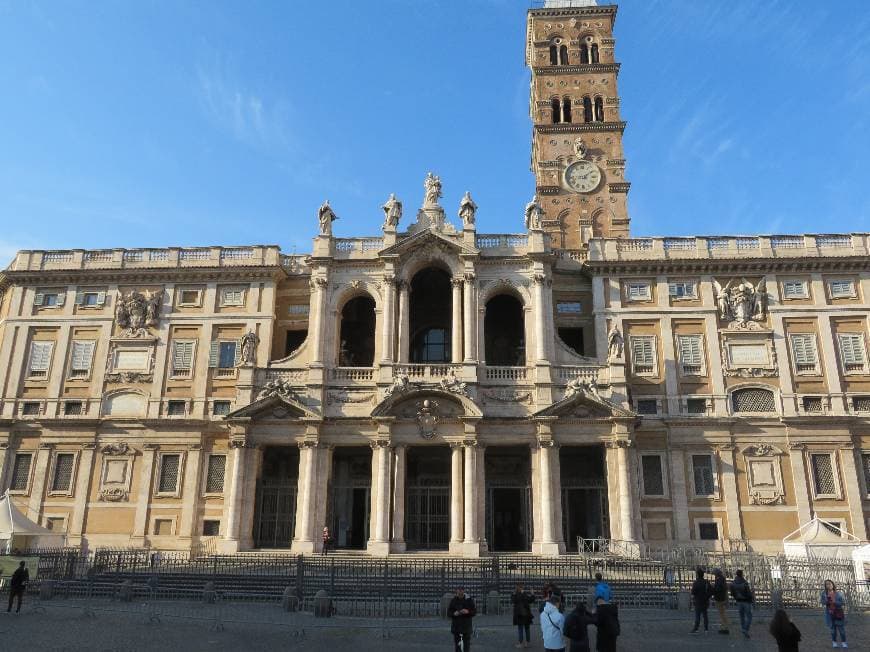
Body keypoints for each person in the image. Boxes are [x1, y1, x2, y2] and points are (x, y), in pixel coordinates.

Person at [820, 579, 847, 648]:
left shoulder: (839, 593)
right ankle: (834, 642)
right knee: (833, 631)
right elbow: (822, 602)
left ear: (833, 584)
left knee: (842, 630)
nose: (828, 585)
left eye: (830, 584)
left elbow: (843, 603)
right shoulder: (824, 593)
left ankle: (844, 642)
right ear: (825, 586)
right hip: (829, 614)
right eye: (827, 584)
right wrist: (826, 601)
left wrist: (835, 602)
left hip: (838, 613)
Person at [448, 587, 476, 652]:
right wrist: (454, 613)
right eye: (458, 591)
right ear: (457, 592)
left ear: (464, 591)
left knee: (466, 646)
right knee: (457, 647)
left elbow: (474, 611)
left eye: (461, 591)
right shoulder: (453, 600)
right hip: (456, 627)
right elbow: (449, 612)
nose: (460, 593)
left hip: (466, 627)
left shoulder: (469, 600)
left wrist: (468, 612)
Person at [730, 569, 754, 639]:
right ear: (742, 574)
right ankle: (745, 629)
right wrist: (751, 598)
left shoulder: (733, 583)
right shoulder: (745, 583)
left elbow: (732, 593)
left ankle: (743, 628)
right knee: (749, 617)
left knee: (742, 616)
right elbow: (748, 593)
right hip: (746, 601)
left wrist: (736, 597)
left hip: (738, 601)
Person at [511, 583, 536, 648]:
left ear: (517, 588)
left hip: (520, 615)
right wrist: (532, 593)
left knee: (520, 629)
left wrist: (513, 594)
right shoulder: (524, 594)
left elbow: (513, 600)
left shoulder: (516, 595)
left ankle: (521, 643)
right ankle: (527, 643)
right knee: (527, 629)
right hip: (526, 614)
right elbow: (531, 600)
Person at [689, 567, 711, 634]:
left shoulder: (696, 582)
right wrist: (707, 597)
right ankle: (706, 629)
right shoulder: (706, 582)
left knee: (697, 616)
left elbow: (693, 592)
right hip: (705, 601)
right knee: (705, 615)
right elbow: (711, 590)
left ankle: (696, 628)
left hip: (698, 600)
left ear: (697, 575)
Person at [712, 568, 730, 634]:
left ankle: (724, 627)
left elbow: (718, 589)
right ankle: (724, 626)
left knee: (722, 614)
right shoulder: (722, 579)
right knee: (722, 613)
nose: (714, 574)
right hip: (722, 598)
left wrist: (713, 588)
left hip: (720, 598)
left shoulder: (719, 579)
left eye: (714, 573)